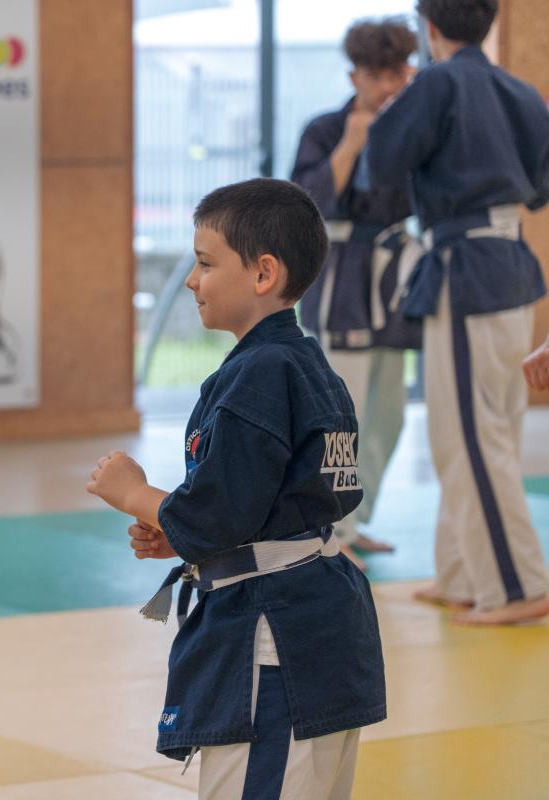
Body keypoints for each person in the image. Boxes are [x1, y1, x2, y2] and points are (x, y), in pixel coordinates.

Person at [87, 179, 385, 800]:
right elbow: (279, 502)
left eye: (205, 263)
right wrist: (183, 538)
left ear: (263, 274)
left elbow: (218, 513)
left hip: (275, 644)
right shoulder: (307, 365)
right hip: (320, 619)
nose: (191, 281)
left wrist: (135, 493)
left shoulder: (260, 374)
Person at [364, 0, 549, 624]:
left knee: (470, 436)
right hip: (510, 265)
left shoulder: (438, 83)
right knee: (480, 428)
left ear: (430, 26)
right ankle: (463, 574)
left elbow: (381, 164)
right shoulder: (520, 91)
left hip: (467, 272)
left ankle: (518, 586)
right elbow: (541, 188)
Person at [292, 18, 423, 567]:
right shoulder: (325, 128)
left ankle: (355, 520)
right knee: (340, 414)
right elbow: (306, 203)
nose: (388, 86)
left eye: (397, 74)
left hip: (392, 279)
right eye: (376, 76)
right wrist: (353, 142)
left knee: (389, 412)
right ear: (355, 76)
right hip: (341, 278)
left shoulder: (414, 127)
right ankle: (329, 529)